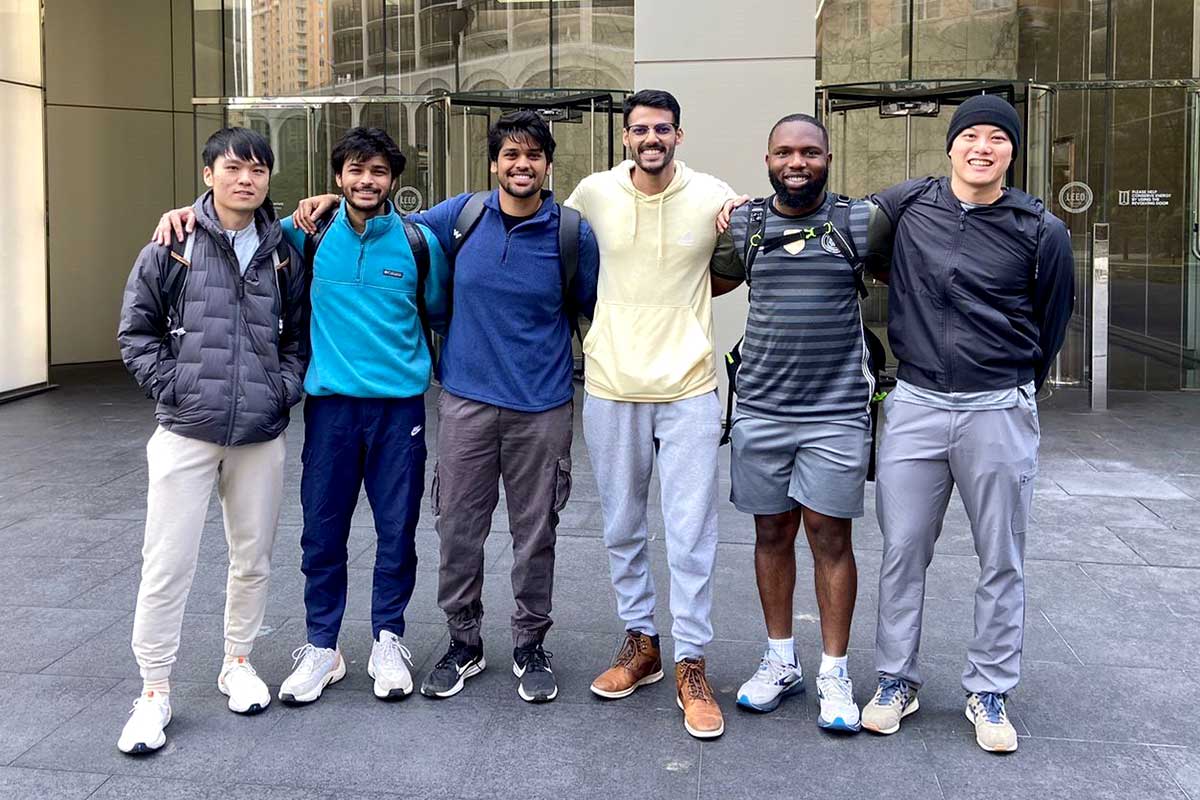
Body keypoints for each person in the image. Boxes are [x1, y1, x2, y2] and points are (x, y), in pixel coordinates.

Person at [291, 111, 600, 703]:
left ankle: (531, 643)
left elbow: (591, 307)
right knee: (458, 529)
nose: (521, 165)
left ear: (547, 165)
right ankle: (464, 642)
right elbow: (382, 219)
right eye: (510, 155)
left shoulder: (571, 233)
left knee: (536, 532)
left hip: (542, 407)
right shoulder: (457, 219)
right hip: (465, 404)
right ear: (493, 164)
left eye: (533, 155)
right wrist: (327, 197)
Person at [153, 127, 449, 706]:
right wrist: (181, 213)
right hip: (332, 409)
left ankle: (389, 638)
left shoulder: (418, 243)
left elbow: (438, 311)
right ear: (337, 177)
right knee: (322, 533)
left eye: (379, 172)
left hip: (400, 411)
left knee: (396, 531)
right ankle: (322, 646)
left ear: (394, 180)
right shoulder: (305, 235)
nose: (367, 181)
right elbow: (235, 223)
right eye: (356, 171)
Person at [857, 95, 1074, 753]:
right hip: (917, 404)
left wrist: (1011, 391)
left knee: (1001, 557)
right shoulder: (908, 205)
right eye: (971, 136)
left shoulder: (1041, 229)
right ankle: (897, 680)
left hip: (997, 408)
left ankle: (989, 689)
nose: (982, 147)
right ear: (950, 146)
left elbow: (1052, 319)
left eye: (997, 138)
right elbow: (842, 227)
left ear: (1011, 151)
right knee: (901, 552)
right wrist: (737, 212)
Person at [116, 127, 309, 754]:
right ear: (209, 175)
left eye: (257, 170)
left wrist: (283, 388)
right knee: (167, 564)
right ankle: (153, 691)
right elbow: (136, 332)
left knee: (252, 559)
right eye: (233, 167)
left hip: (259, 432)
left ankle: (238, 661)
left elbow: (297, 337)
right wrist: (174, 388)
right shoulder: (171, 246)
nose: (245, 179)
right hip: (185, 431)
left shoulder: (283, 252)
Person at [709, 113, 891, 732]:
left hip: (837, 411)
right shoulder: (747, 225)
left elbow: (910, 275)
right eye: (784, 151)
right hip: (760, 408)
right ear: (766, 159)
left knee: (830, 538)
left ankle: (834, 672)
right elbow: (692, 281)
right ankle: (780, 660)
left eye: (809, 152)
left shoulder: (859, 223)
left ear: (828, 156)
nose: (797, 162)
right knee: (771, 535)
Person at [564, 89, 737, 739]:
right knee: (622, 525)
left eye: (662, 128)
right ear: (627, 138)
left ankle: (692, 662)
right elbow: (554, 243)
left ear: (679, 136)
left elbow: (736, 259)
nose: (651, 138)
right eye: (640, 130)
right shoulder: (594, 192)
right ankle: (643, 644)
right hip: (612, 384)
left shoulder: (714, 194)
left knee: (691, 532)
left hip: (690, 388)